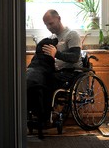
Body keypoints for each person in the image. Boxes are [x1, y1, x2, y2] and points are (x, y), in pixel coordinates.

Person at [26, 9, 82, 137]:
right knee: (36, 80)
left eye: (51, 23)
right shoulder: (52, 38)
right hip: (55, 72)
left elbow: (74, 57)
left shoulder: (72, 35)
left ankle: (44, 116)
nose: (49, 27)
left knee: (46, 81)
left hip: (70, 72)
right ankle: (37, 114)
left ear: (59, 18)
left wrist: (56, 53)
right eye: (46, 25)